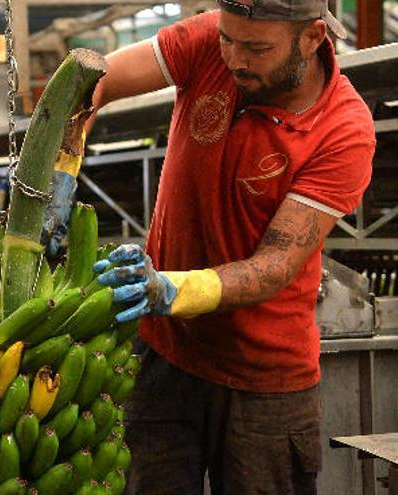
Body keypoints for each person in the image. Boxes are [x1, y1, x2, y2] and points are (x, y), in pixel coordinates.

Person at [77, 0, 375, 492]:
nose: (235, 59)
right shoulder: (211, 42)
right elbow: (95, 79)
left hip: (266, 387)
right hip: (165, 360)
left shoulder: (343, 129)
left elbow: (275, 265)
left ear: (313, 36)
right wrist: (60, 161)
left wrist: (169, 290)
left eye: (257, 48)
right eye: (227, 40)